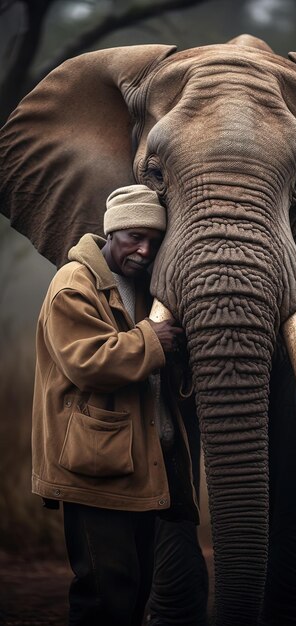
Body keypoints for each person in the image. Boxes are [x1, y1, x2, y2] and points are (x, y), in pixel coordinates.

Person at [31, 184, 204, 626]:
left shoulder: (142, 287)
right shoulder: (73, 286)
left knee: (135, 589)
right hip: (95, 466)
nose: (144, 250)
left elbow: (154, 370)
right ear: (111, 233)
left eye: (153, 240)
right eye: (133, 237)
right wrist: (152, 340)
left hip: (137, 466)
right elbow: (85, 362)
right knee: (104, 595)